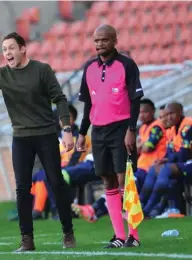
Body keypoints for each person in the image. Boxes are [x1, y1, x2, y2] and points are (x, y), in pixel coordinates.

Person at [0, 32, 76, 251]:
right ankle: (27, 239)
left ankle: (68, 233)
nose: (7, 53)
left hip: (46, 134)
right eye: (4, 50)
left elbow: (60, 99)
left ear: (22, 49)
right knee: (22, 188)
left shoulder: (42, 70)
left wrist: (66, 129)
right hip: (21, 138)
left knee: (56, 182)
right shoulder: (2, 74)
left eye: (11, 48)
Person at [76, 24, 144, 248]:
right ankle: (118, 236)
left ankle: (133, 235)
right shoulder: (88, 68)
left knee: (124, 179)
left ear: (115, 41)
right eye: (96, 41)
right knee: (107, 179)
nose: (99, 44)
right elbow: (87, 106)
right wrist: (81, 133)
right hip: (99, 131)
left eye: (104, 40)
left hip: (121, 127)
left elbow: (135, 101)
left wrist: (131, 130)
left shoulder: (127, 65)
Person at [140, 102, 192, 217]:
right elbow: (170, 152)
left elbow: (184, 155)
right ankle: (140, 206)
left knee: (166, 170)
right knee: (155, 168)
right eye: (166, 114)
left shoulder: (188, 126)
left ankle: (147, 211)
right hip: (184, 163)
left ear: (181, 112)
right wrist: (163, 160)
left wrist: (168, 160)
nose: (168, 117)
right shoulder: (172, 129)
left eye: (172, 113)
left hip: (188, 162)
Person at [135, 99, 167, 193]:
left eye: (145, 112)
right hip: (141, 166)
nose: (141, 115)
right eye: (139, 112)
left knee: (130, 185)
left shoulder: (157, 126)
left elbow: (148, 147)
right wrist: (140, 146)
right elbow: (135, 150)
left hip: (151, 167)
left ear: (153, 111)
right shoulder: (142, 128)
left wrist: (140, 145)